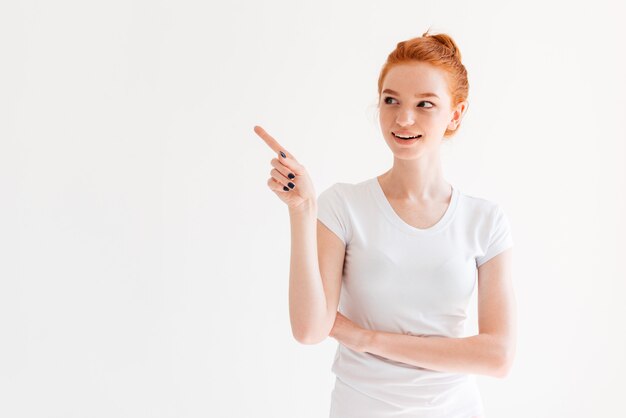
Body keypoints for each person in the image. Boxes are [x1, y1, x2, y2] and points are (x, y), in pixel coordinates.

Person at [254, 30, 515, 418]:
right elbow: (310, 330)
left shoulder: (485, 220)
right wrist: (302, 208)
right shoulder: (343, 205)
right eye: (390, 100)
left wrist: (365, 337)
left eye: (425, 104)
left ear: (455, 113)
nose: (403, 118)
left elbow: (497, 356)